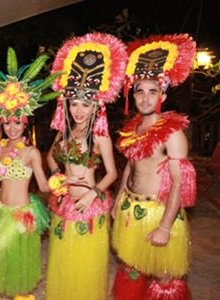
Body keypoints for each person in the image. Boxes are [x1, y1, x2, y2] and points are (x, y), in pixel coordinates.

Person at [0, 47, 59, 300]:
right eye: (7, 121)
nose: (12, 127)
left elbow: (43, 185)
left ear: (25, 123)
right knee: (2, 261)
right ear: (1, 122)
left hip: (20, 215)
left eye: (17, 121)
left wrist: (61, 182)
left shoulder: (30, 152)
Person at [111, 34, 197, 300]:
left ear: (163, 93)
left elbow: (179, 184)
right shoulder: (132, 129)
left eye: (152, 91)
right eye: (140, 91)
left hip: (159, 214)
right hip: (131, 209)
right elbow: (130, 167)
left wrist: (165, 226)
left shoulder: (172, 133)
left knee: (164, 276)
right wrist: (118, 199)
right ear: (132, 94)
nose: (145, 98)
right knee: (132, 267)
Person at [44, 33, 127, 300]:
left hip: (89, 204)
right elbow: (50, 158)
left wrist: (94, 192)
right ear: (67, 105)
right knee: (66, 260)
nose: (79, 110)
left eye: (85, 105)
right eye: (74, 104)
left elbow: (112, 173)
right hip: (66, 202)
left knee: (86, 264)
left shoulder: (100, 135)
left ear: (96, 108)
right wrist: (57, 175)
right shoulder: (63, 134)